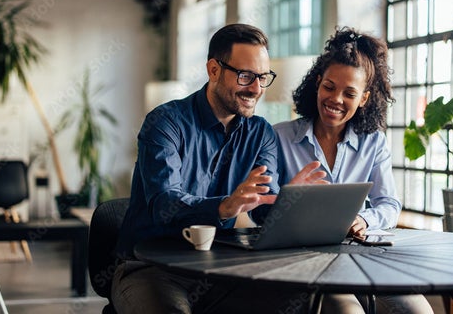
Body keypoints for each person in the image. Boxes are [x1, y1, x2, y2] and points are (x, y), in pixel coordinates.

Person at [111, 23, 326, 314]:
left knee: (305, 305)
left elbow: (262, 208)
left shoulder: (261, 133)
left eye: (263, 77)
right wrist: (224, 207)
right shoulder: (166, 123)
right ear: (214, 70)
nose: (256, 89)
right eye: (246, 76)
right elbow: (164, 205)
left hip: (220, 268)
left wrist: (289, 200)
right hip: (149, 267)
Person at [274, 27, 434, 314]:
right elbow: (260, 210)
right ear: (317, 84)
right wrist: (288, 197)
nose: (335, 99)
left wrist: (363, 219)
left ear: (364, 99)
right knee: (348, 311)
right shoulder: (280, 137)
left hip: (357, 255)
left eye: (349, 93)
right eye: (329, 87)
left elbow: (389, 204)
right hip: (301, 260)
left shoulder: (374, 143)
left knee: (418, 310)